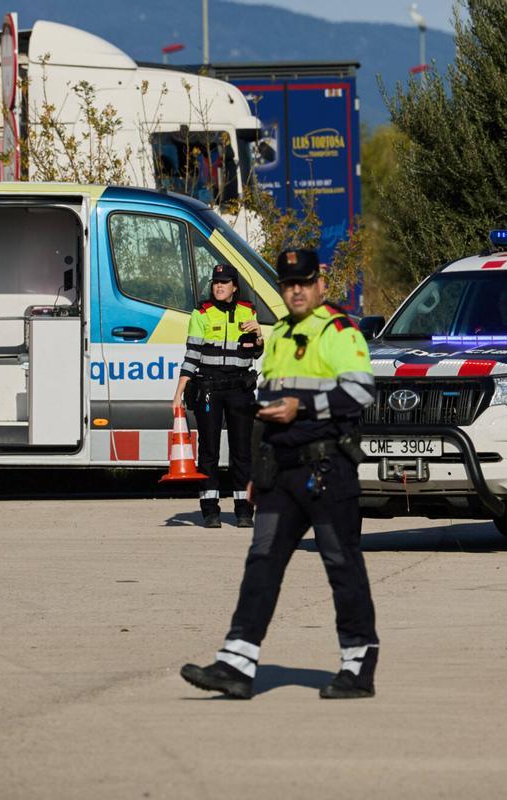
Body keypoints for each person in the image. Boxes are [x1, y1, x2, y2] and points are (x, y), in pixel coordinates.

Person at [181, 248, 379, 701]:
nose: (296, 291)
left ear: (320, 283)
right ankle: (236, 662)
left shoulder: (338, 329)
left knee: (341, 565)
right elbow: (267, 408)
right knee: (262, 563)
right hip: (281, 474)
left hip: (328, 470)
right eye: (289, 284)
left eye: (304, 282)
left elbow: (362, 391)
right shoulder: (282, 334)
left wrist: (305, 407)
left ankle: (358, 665)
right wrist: (256, 469)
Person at [172, 263, 264, 528]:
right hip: (209, 388)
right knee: (209, 450)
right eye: (215, 282)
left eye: (224, 282)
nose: (219, 286)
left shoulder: (249, 312)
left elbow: (254, 353)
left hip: (239, 389)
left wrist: (258, 335)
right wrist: (179, 393)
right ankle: (210, 508)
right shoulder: (201, 313)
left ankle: (244, 510)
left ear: (235, 287)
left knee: (242, 451)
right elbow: (191, 355)